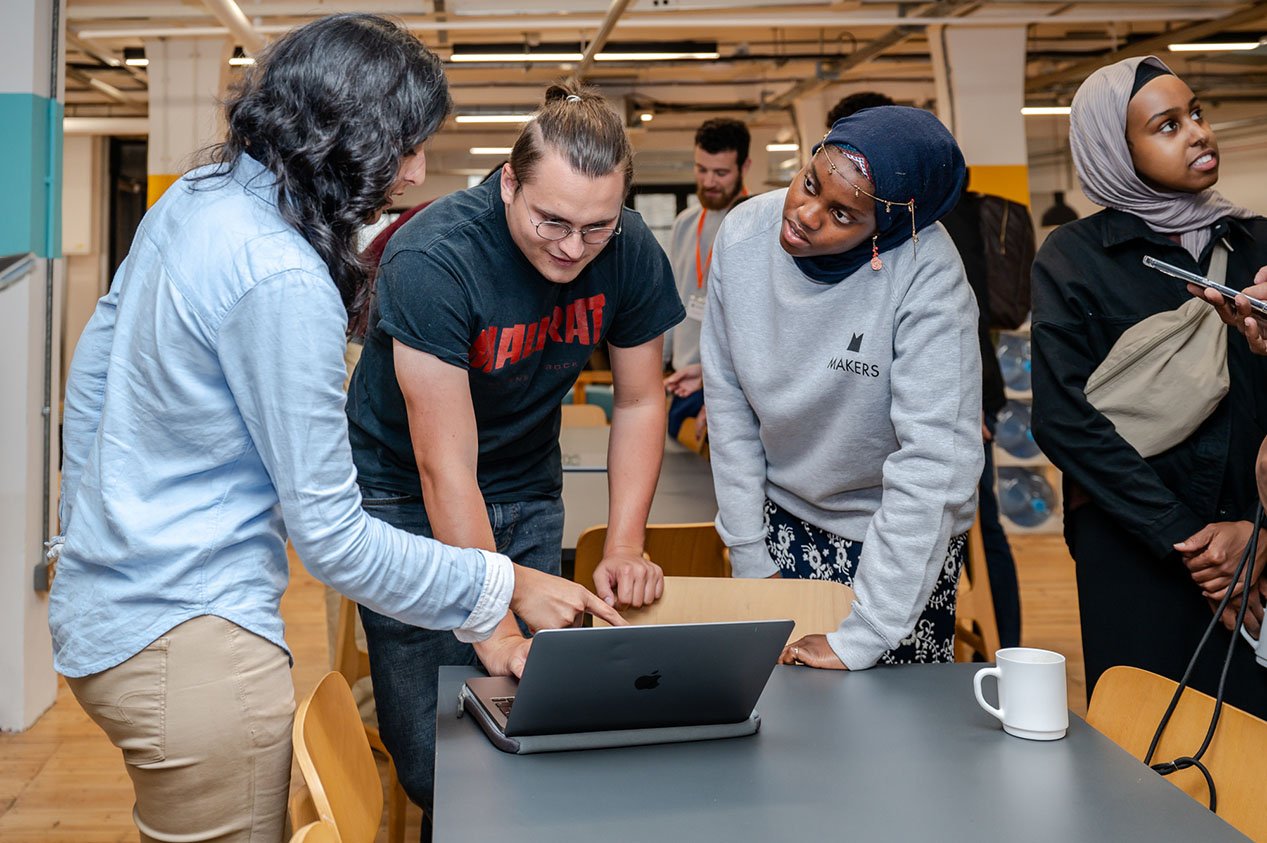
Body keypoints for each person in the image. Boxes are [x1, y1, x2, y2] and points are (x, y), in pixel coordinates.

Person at [48, 16, 625, 842]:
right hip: (192, 650)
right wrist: (503, 584)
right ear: (336, 137)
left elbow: (95, 366)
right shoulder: (280, 275)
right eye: (404, 146)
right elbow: (332, 539)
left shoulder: (198, 196)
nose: (418, 170)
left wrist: (84, 524)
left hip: (107, 610)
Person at [344, 82, 684, 828]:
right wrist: (492, 625)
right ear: (507, 182)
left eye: (595, 227)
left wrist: (625, 542)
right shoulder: (434, 257)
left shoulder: (627, 249)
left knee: (544, 725)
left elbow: (637, 399)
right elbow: (445, 467)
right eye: (551, 220)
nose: (571, 247)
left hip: (526, 481)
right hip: (406, 492)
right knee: (435, 761)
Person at [701, 106, 983, 670]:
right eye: (808, 184)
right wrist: (751, 555)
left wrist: (869, 630)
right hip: (781, 519)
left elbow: (933, 466)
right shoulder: (742, 238)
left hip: (897, 538)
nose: (805, 214)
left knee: (891, 737)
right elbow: (729, 408)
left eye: (841, 214)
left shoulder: (929, 276)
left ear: (885, 230)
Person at [1029, 56, 1267, 717]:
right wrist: (1188, 539)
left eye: (1195, 113)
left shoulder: (1257, 243)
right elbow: (1063, 420)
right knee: (1142, 744)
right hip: (1135, 546)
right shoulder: (1073, 259)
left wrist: (1254, 529)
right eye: (1165, 125)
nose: (1195, 132)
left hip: (1256, 544)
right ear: (1114, 148)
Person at [830, 90, 1023, 649]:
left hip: (954, 390)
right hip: (927, 389)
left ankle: (1003, 651)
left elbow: (957, 321)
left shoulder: (921, 219)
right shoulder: (905, 208)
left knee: (968, 524)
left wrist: (966, 411)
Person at [662, 118, 751, 442]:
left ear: (745, 166)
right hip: (685, 380)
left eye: (721, 173)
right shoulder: (684, 223)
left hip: (733, 385)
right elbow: (671, 301)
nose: (709, 181)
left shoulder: (755, 221)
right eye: (702, 169)